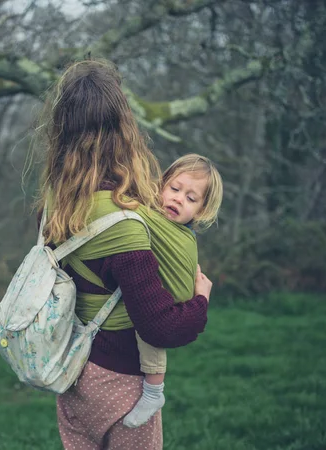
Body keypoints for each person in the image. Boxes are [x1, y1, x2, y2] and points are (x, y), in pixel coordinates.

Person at [35, 58, 212, 450]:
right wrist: (200, 301)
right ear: (123, 127)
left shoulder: (54, 201)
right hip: (121, 382)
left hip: (71, 374)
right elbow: (162, 328)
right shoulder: (127, 225)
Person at [123, 153, 223, 429]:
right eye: (175, 189)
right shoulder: (154, 216)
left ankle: (154, 392)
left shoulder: (180, 234)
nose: (178, 199)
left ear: (200, 211)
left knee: (152, 336)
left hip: (167, 304)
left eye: (191, 198)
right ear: (161, 186)